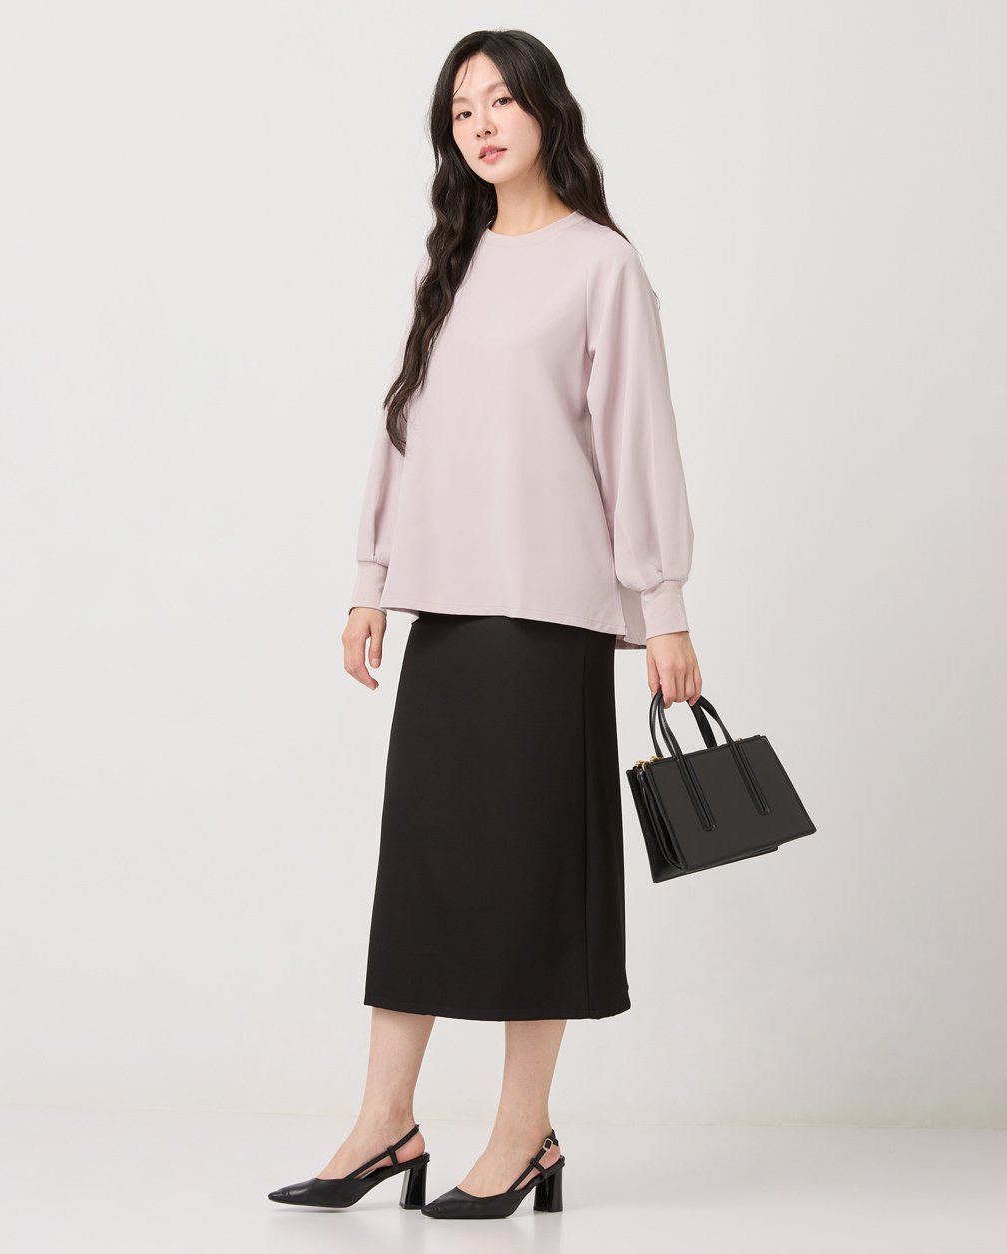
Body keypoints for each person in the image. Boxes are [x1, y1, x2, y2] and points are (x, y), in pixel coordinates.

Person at [269, 27, 702, 1221]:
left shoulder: (600, 264)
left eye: (501, 100)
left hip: (551, 613)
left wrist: (663, 607)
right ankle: (384, 1124)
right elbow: (401, 425)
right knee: (420, 866)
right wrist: (369, 579)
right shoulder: (448, 264)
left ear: (546, 110)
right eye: (462, 110)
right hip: (448, 613)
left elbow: (638, 441)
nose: (481, 124)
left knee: (530, 876)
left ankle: (523, 1136)